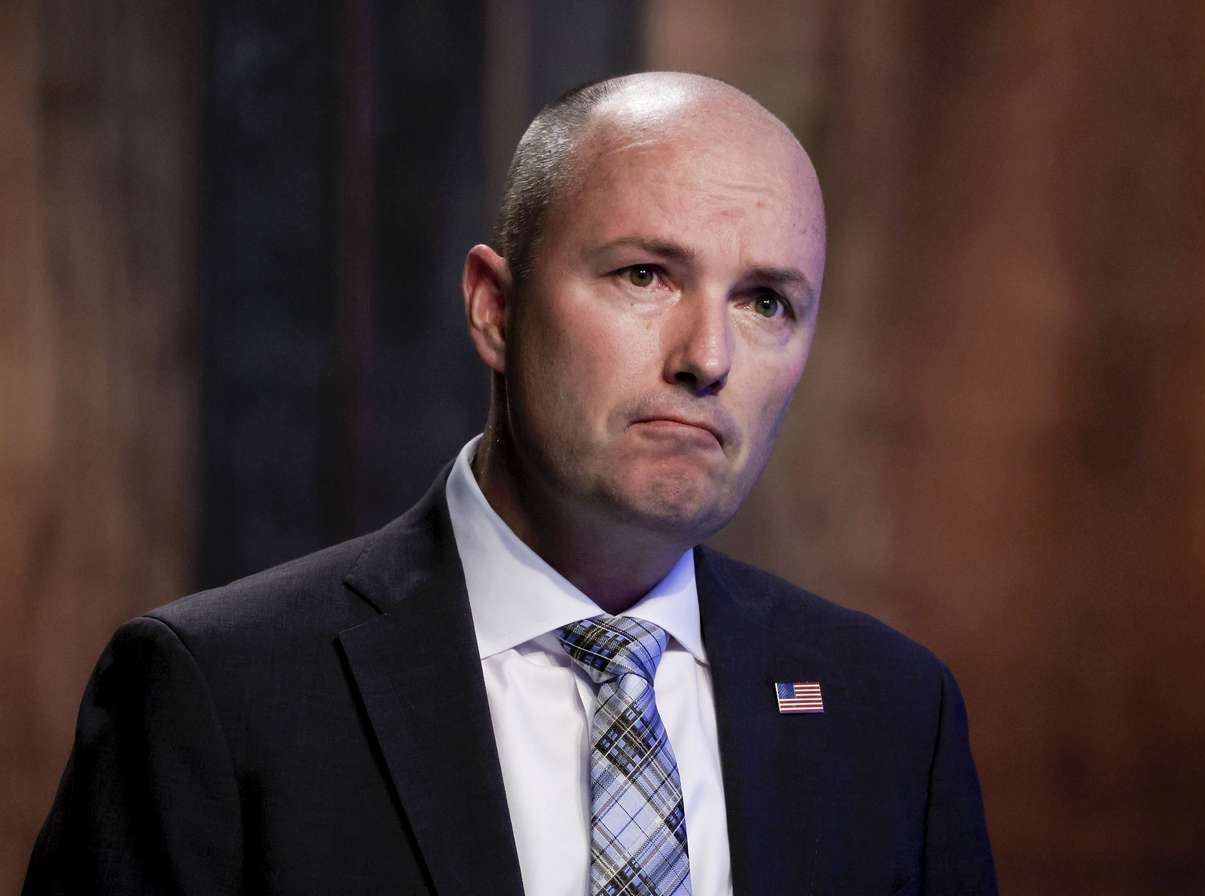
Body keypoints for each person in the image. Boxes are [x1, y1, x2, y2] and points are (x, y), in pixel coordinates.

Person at [25, 72, 996, 895]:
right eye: (645, 275)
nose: (707, 356)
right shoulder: (215, 693)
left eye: (765, 301)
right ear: (494, 308)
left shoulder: (893, 713)